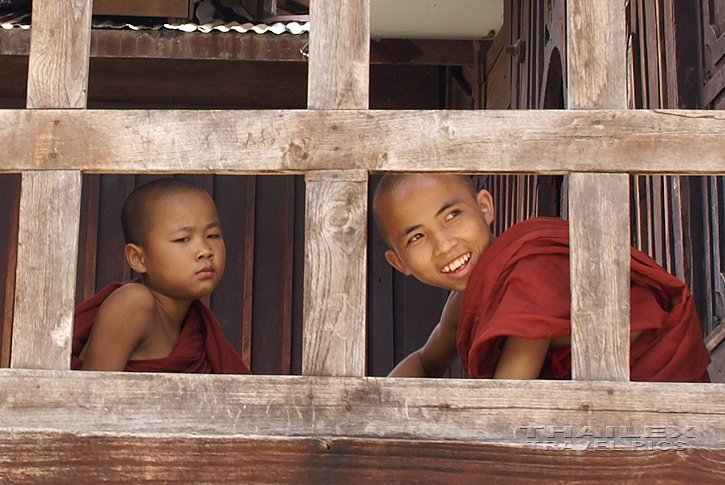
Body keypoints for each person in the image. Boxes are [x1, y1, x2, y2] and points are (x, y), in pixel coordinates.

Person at [373, 173, 710, 382]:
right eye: (416, 237)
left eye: (452, 215)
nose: (444, 245)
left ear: (486, 207)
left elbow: (508, 403)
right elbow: (425, 362)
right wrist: (365, 412)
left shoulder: (528, 269)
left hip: (651, 401)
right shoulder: (466, 300)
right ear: (398, 262)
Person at [72, 178, 250, 374]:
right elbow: (90, 397)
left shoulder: (194, 324)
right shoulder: (132, 303)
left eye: (212, 235)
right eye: (183, 239)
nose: (205, 251)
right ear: (138, 258)